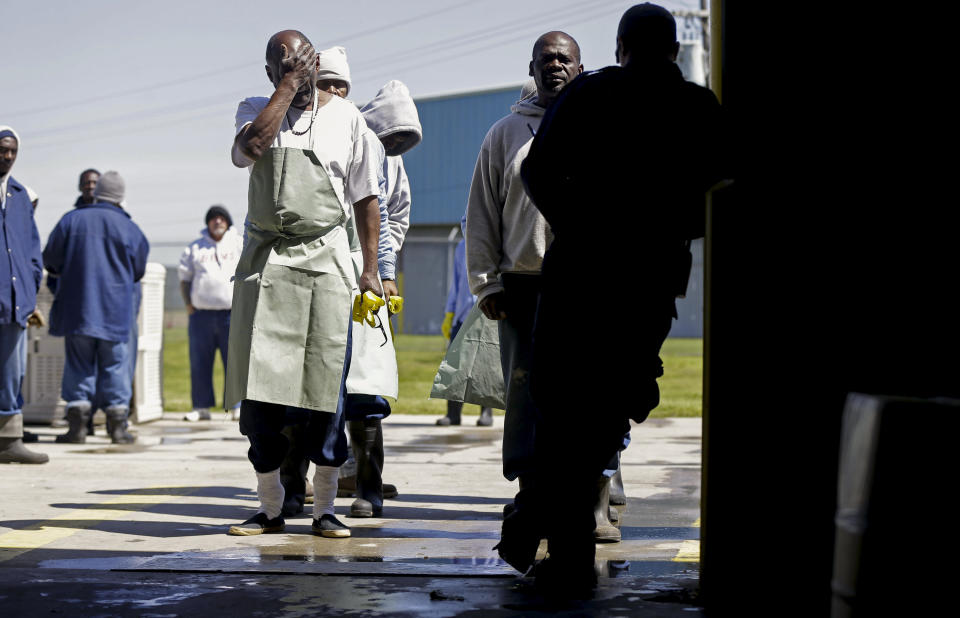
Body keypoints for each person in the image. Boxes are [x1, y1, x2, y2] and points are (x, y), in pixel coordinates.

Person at [504, 3, 725, 596]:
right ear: (674, 51)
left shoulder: (588, 96)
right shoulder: (698, 108)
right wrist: (665, 230)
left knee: (560, 404)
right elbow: (720, 191)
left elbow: (537, 172)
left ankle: (562, 548)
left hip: (580, 275)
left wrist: (580, 226)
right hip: (649, 280)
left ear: (621, 47)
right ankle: (556, 535)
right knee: (610, 407)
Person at [224, 30, 382, 539]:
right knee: (260, 394)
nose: (296, 69)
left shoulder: (347, 118)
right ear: (270, 71)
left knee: (325, 390)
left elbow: (365, 197)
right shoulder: (256, 106)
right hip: (267, 263)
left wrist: (371, 267)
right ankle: (270, 509)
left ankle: (326, 510)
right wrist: (287, 89)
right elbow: (251, 147)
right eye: (284, 64)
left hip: (326, 260)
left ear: (318, 63)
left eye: (302, 62)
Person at [464, 30, 583, 521]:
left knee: (587, 388)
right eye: (545, 59)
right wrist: (486, 282)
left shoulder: (595, 123)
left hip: (583, 283)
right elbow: (482, 211)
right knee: (525, 390)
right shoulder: (505, 134)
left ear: (579, 67)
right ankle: (529, 486)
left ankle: (595, 491)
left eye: (563, 58)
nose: (554, 65)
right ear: (531, 69)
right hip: (523, 284)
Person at [44, 171, 149, 446]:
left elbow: (51, 260)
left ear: (98, 191)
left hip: (78, 311)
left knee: (79, 366)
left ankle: (77, 428)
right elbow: (138, 270)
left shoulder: (71, 220)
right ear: (120, 196)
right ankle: (117, 428)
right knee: (115, 366)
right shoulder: (130, 228)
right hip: (116, 313)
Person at [0, 126, 48, 464]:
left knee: (12, 373)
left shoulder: (19, 195)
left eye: (12, 150)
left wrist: (29, 292)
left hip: (14, 304)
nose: (7, 156)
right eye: (3, 149)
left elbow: (32, 251)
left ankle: (8, 440)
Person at [178, 205, 243, 421]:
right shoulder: (195, 248)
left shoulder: (238, 244)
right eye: (213, 219)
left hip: (231, 315)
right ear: (207, 223)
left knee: (234, 361)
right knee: (199, 362)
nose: (217, 222)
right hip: (201, 316)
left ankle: (236, 406)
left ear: (228, 222)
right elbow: (185, 278)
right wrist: (188, 304)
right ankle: (200, 407)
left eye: (222, 218)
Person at [436, 218, 493, 426]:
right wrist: (449, 312)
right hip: (461, 315)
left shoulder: (492, 247)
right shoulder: (461, 247)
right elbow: (457, 282)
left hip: (485, 313)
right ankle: (453, 413)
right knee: (453, 367)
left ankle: (486, 413)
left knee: (485, 366)